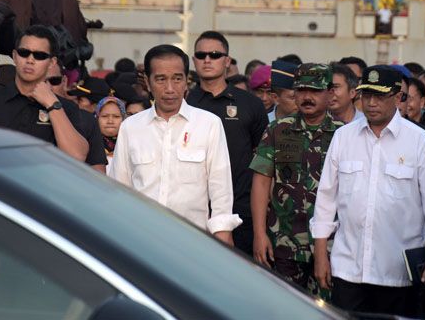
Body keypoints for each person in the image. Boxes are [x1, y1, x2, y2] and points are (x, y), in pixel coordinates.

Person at [311, 65, 425, 317]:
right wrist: (320, 255)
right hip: (348, 269)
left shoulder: (418, 141)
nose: (371, 103)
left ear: (398, 97)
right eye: (367, 95)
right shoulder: (343, 137)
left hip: (397, 273)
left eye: (380, 96)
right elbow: (326, 201)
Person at [111, 45, 240, 245]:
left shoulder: (209, 124)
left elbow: (220, 189)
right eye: (161, 79)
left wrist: (222, 234)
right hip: (140, 239)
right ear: (148, 82)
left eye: (177, 79)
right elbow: (119, 189)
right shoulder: (131, 127)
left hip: (193, 241)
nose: (170, 89)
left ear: (186, 81)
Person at [249, 63, 339, 298]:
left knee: (326, 309)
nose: (307, 97)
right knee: (283, 306)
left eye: (315, 91)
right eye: (301, 90)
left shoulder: (344, 134)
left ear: (330, 93)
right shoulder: (277, 130)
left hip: (331, 246)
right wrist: (259, 234)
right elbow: (261, 183)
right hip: (283, 244)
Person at [187, 31, 269, 256]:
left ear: (227, 61)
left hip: (241, 211)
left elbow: (263, 161)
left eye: (214, 55)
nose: (207, 60)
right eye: (201, 55)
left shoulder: (250, 104)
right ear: (194, 60)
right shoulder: (185, 103)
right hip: (195, 212)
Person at [0, 25, 90, 162]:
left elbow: (77, 156)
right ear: (14, 56)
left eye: (39, 55)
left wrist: (52, 105)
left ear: (51, 62)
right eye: (24, 53)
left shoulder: (66, 108)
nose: (30, 60)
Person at [48, 62, 109, 173]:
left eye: (54, 81)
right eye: (42, 81)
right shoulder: (20, 110)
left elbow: (98, 172)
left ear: (64, 81)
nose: (48, 87)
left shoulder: (87, 120)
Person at [95, 96, 127, 176]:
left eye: (116, 116)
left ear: (123, 119)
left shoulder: (129, 144)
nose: (110, 121)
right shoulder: (89, 144)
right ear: (97, 118)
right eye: (104, 116)